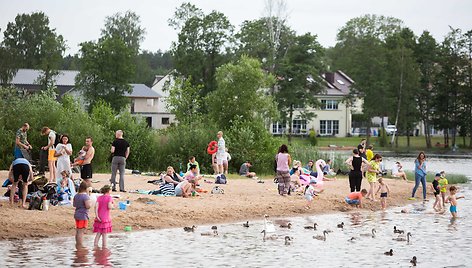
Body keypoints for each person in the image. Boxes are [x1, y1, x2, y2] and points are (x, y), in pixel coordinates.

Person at [73, 181, 92, 249]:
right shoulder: (85, 196)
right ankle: (80, 245)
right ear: (86, 188)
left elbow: (74, 205)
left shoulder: (76, 195)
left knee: (78, 230)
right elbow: (88, 206)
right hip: (83, 215)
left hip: (77, 214)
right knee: (81, 231)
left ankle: (77, 244)